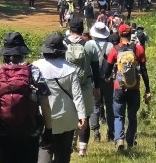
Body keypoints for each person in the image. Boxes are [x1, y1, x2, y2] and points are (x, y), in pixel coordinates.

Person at [0, 31, 52, 163]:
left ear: (5, 54)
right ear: (23, 52)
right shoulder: (34, 72)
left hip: (3, 132)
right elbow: (45, 104)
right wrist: (49, 130)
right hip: (29, 132)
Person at [33, 32, 87, 163]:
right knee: (63, 152)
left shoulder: (36, 67)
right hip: (66, 117)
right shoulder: (70, 69)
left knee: (44, 147)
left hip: (43, 115)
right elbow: (77, 95)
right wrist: (82, 115)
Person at [106, 23, 151, 152]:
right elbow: (144, 70)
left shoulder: (115, 49)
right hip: (134, 87)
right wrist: (147, 89)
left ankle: (119, 139)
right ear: (131, 34)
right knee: (132, 116)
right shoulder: (138, 48)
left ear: (120, 34)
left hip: (119, 87)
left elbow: (107, 69)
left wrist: (107, 78)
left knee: (118, 116)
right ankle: (130, 140)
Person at [65, 15, 100, 157]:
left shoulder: (63, 44)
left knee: (69, 116)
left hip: (67, 87)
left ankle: (69, 144)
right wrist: (97, 88)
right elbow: (96, 69)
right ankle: (82, 149)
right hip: (84, 85)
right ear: (82, 29)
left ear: (70, 29)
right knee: (84, 116)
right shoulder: (90, 45)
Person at [88, 20, 115, 144]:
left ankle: (96, 132)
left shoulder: (89, 44)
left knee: (95, 105)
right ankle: (111, 131)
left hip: (93, 80)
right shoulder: (110, 46)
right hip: (107, 79)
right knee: (109, 105)